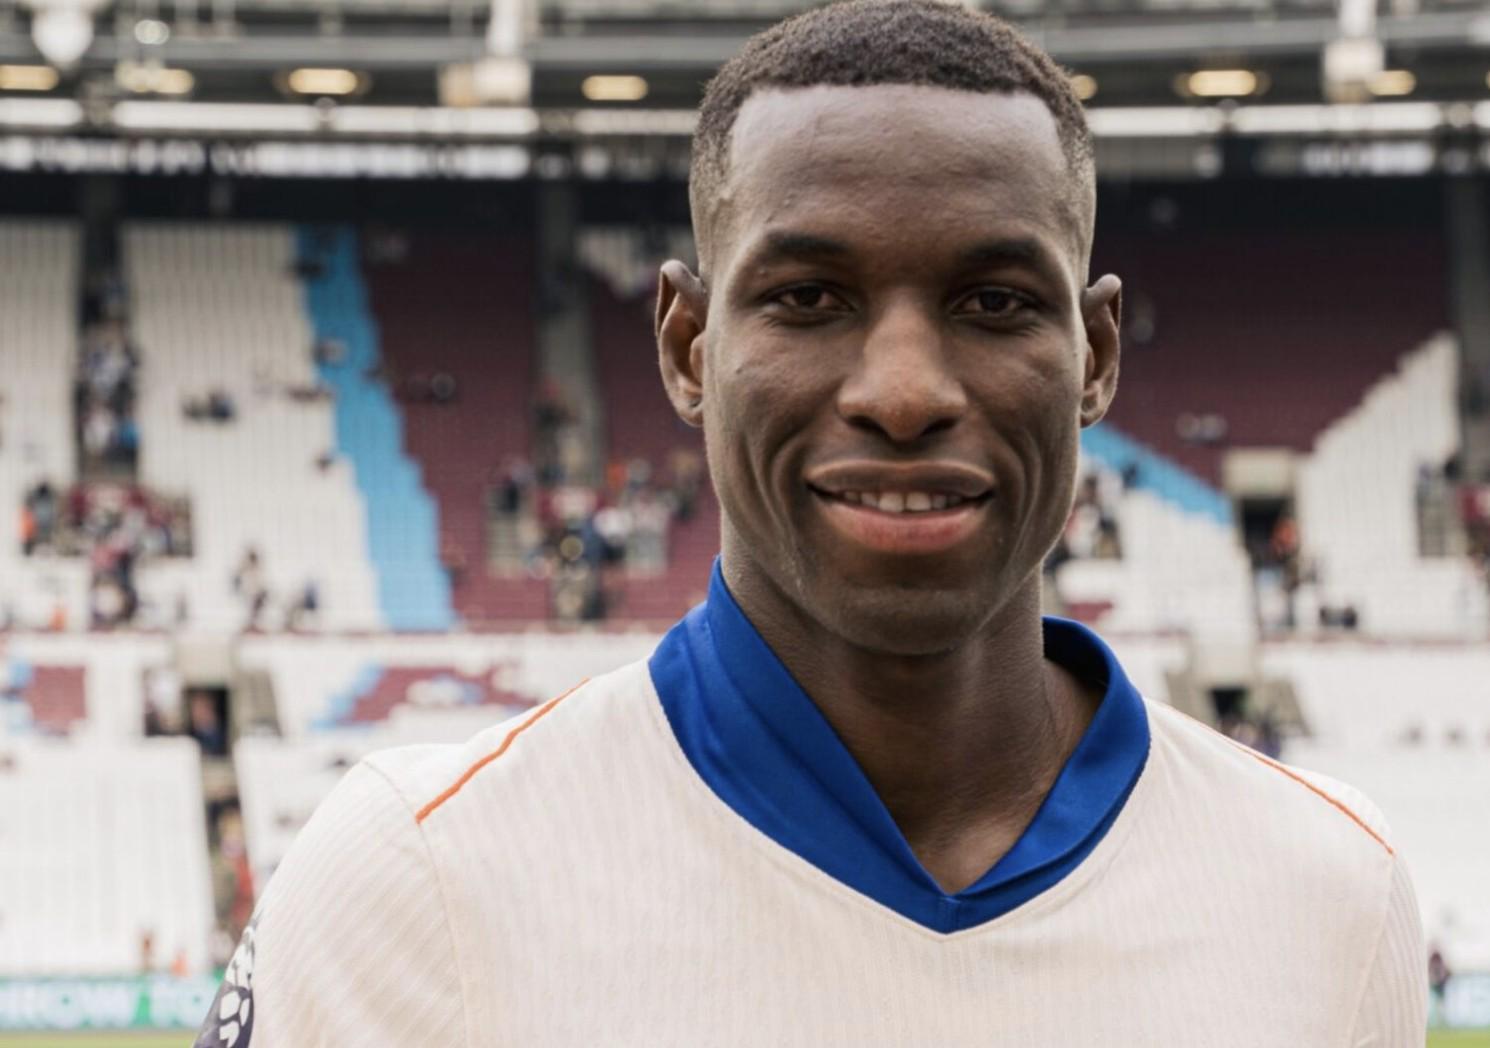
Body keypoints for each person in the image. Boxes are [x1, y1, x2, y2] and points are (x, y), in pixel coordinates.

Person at [196, 3, 1425, 1045]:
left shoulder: (1324, 894)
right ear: (688, 345)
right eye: (806, 297)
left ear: (1095, 353)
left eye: (994, 302)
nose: (903, 391)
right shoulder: (421, 878)